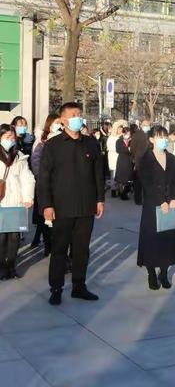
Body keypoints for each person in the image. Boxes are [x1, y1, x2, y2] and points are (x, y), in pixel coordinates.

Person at [38, 102, 105, 305]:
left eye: (79, 114)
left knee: (82, 249)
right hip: (61, 207)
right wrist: (46, 205)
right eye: (74, 114)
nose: (78, 118)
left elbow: (98, 175)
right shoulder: (53, 145)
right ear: (64, 120)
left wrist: (100, 199)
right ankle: (56, 288)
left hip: (86, 206)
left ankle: (79, 286)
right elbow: (44, 178)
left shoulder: (91, 143)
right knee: (59, 249)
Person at [137, 126, 175, 290]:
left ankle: (163, 273)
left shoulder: (172, 159)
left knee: (169, 239)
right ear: (151, 139)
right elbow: (147, 183)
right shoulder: (145, 159)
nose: (164, 139)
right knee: (151, 240)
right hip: (153, 205)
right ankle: (151, 273)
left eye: (165, 136)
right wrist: (160, 201)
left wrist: (174, 199)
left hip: (171, 205)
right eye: (160, 137)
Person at [0, 124, 35, 279]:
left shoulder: (20, 155)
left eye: (12, 137)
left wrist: (28, 197)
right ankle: (1, 265)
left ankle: (11, 266)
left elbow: (27, 178)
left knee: (14, 237)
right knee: (1, 237)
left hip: (17, 201)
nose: (11, 140)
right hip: (1, 200)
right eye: (7, 137)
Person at [30, 114, 62, 255]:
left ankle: (56, 247)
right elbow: (36, 164)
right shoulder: (41, 142)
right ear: (49, 124)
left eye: (60, 123)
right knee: (45, 218)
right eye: (56, 122)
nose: (59, 125)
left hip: (61, 187)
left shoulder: (63, 139)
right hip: (46, 185)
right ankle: (48, 245)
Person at [130, 122, 150, 205]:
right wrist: (135, 157)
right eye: (145, 125)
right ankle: (138, 199)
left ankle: (145, 198)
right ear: (141, 126)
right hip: (139, 160)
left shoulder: (150, 134)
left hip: (148, 160)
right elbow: (132, 148)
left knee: (146, 181)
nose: (147, 127)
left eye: (148, 125)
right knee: (138, 181)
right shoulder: (137, 134)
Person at [107, 120, 127, 198]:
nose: (120, 130)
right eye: (119, 128)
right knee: (114, 175)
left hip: (121, 159)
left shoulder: (123, 137)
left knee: (120, 175)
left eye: (121, 128)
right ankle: (114, 190)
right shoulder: (112, 137)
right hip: (114, 158)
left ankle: (120, 189)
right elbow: (111, 147)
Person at [115, 127, 133, 201]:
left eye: (129, 133)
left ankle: (126, 192)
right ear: (123, 133)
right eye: (126, 134)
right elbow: (118, 149)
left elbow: (133, 149)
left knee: (128, 178)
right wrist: (127, 149)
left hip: (129, 160)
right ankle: (121, 192)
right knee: (121, 178)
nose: (128, 135)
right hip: (122, 160)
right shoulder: (119, 141)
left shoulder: (131, 140)